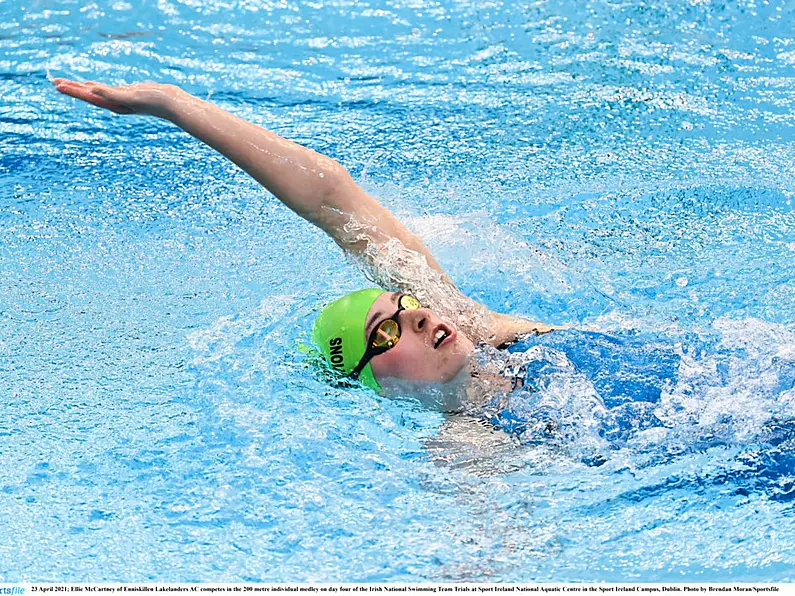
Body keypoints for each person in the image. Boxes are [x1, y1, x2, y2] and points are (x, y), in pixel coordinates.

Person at [52, 79, 560, 403]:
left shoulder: (476, 325)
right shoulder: (468, 453)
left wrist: (174, 104)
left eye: (404, 304)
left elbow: (330, 196)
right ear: (376, 384)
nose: (421, 314)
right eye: (385, 334)